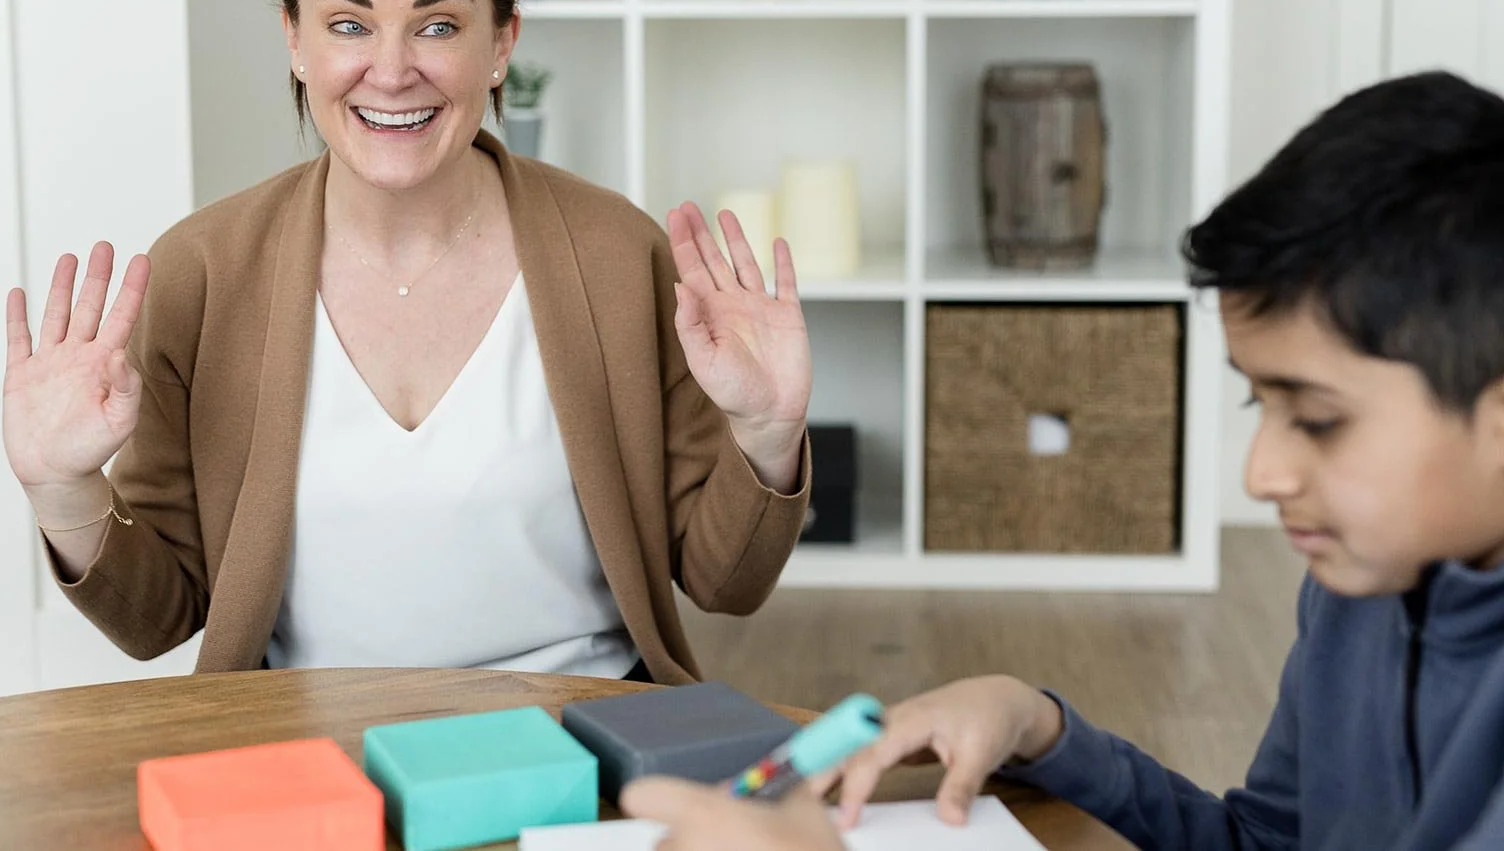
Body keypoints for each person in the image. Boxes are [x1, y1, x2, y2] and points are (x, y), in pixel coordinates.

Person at [622, 70, 1504, 848]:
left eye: (1316, 417)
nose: (1262, 473)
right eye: (1257, 401)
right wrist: (1041, 728)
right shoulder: (1364, 588)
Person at [0, 0, 813, 683]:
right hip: (307, 754)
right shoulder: (204, 272)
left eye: (438, 24)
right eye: (348, 24)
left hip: (582, 736)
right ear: (295, 42)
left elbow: (725, 582)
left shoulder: (615, 253)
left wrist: (768, 435)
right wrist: (64, 488)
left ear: (502, 42)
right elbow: (160, 616)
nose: (390, 71)